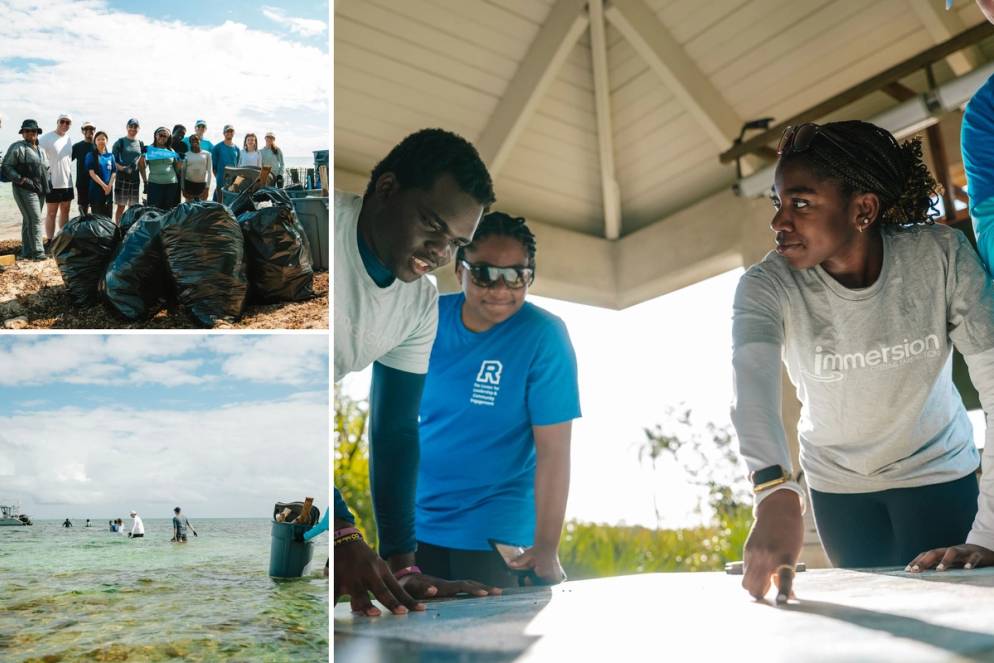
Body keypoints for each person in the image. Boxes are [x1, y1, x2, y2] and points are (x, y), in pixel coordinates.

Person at [730, 120, 994, 604]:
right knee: (879, 621)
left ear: (863, 209)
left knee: (960, 615)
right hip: (839, 492)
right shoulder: (766, 286)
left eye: (800, 203)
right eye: (777, 203)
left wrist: (990, 533)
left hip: (939, 477)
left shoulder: (941, 257)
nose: (779, 222)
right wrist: (774, 493)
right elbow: (752, 389)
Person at [334, 128, 500, 617]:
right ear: (387, 189)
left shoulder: (421, 303)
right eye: (432, 224)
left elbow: (396, 429)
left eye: (456, 243)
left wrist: (403, 565)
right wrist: (342, 530)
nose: (440, 253)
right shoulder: (317, 231)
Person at [414, 213, 580, 588]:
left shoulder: (545, 336)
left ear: (530, 277)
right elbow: (396, 424)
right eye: (486, 273)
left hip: (497, 533)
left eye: (516, 276)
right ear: (459, 270)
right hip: (419, 524)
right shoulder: (426, 318)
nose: (501, 288)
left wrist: (547, 546)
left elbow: (554, 452)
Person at [2, 119, 50, 260]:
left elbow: (46, 169)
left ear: (37, 132)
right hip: (24, 189)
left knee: (28, 219)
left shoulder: (41, 150)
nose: (30, 133)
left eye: (33, 130)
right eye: (27, 131)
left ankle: (27, 252)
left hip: (40, 190)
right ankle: (38, 252)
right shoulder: (17, 147)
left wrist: (47, 185)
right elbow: (6, 166)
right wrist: (20, 179)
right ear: (22, 133)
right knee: (35, 219)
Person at [38, 113, 74, 241]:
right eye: (62, 121)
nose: (64, 124)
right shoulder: (46, 138)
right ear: (57, 122)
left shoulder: (69, 139)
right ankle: (50, 240)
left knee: (65, 211)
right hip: (52, 182)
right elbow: (35, 152)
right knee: (51, 213)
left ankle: (62, 239)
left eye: (67, 122)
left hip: (68, 182)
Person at [112, 119, 146, 223]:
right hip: (122, 179)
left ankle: (128, 228)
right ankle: (118, 228)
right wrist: (123, 168)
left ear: (138, 129)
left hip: (135, 180)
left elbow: (141, 164)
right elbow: (112, 161)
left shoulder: (140, 143)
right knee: (121, 207)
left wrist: (145, 181)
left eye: (135, 127)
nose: (133, 128)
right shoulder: (120, 142)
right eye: (131, 126)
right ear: (127, 127)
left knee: (132, 208)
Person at [144, 127, 182, 211]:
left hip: (172, 184)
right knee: (153, 211)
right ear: (156, 135)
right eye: (160, 135)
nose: (162, 137)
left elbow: (177, 169)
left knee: (168, 211)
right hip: (155, 184)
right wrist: (144, 181)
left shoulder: (171, 150)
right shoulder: (149, 149)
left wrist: (181, 160)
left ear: (168, 138)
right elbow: (143, 166)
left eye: (165, 136)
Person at [85, 131, 116, 217]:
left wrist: (109, 186)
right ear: (95, 141)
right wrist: (104, 186)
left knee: (108, 217)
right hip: (96, 190)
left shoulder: (111, 156)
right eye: (98, 139)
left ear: (107, 141)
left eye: (103, 139)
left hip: (108, 191)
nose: (101, 141)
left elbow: (114, 172)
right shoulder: (90, 155)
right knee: (97, 217)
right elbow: (92, 173)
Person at [71, 121, 96, 215]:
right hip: (82, 183)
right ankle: (83, 223)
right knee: (83, 209)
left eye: (91, 129)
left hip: (97, 183)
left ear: (94, 130)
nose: (89, 130)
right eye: (86, 129)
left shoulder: (99, 145)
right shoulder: (77, 146)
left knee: (96, 209)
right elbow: (66, 161)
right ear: (82, 131)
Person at [210, 125, 240, 202]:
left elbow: (237, 166)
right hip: (220, 179)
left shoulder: (237, 149)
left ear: (234, 133)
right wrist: (219, 178)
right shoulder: (217, 147)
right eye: (227, 131)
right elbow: (214, 167)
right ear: (224, 133)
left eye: (231, 131)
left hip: (232, 180)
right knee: (219, 202)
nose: (229, 133)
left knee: (230, 202)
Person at [182, 135, 212, 202]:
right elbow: (183, 173)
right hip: (189, 185)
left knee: (202, 207)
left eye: (196, 139)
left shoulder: (207, 154)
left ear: (199, 141)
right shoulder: (186, 154)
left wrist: (207, 189)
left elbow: (209, 172)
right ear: (190, 142)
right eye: (192, 140)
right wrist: (183, 189)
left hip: (202, 185)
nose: (194, 141)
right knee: (189, 207)